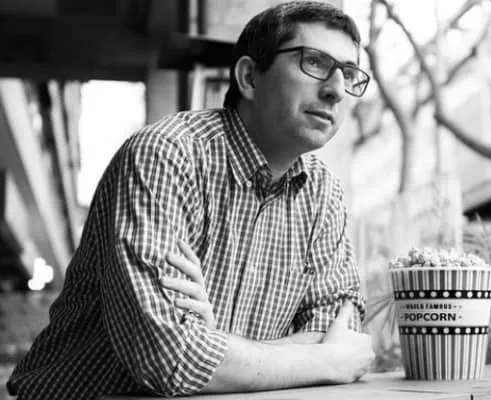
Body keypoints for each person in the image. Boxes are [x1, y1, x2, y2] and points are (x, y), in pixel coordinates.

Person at [7, 1, 375, 399]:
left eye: (349, 73)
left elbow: (342, 330)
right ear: (249, 77)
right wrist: (323, 361)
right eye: (314, 62)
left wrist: (215, 344)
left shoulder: (323, 195)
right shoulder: (165, 156)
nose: (336, 89)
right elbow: (167, 357)